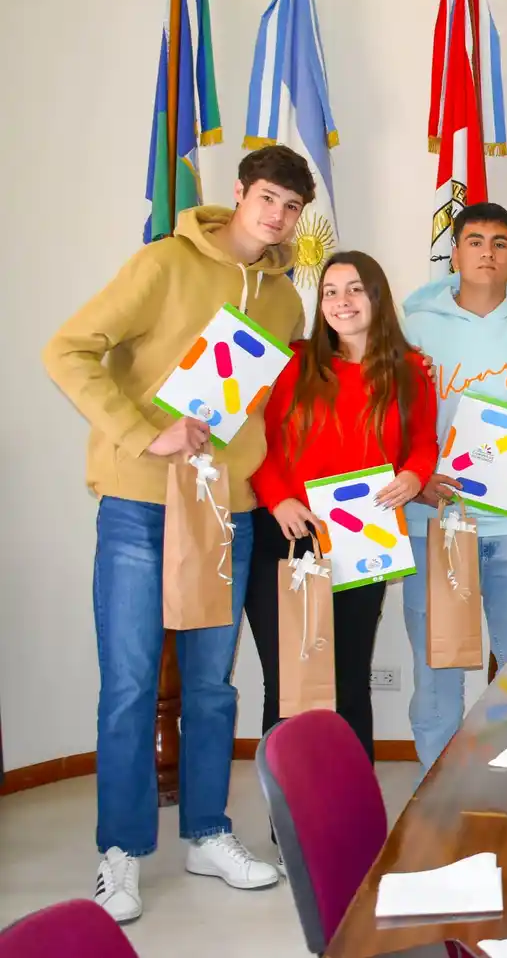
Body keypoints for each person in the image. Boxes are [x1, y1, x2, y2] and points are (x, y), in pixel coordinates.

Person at [42, 146, 313, 921]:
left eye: (292, 208)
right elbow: (66, 350)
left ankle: (207, 832)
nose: (277, 217)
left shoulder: (284, 302)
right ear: (238, 194)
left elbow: (270, 409)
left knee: (213, 686)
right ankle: (121, 852)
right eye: (267, 198)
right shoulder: (163, 264)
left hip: (227, 513)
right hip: (138, 504)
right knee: (129, 685)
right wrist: (141, 432)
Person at [247, 251, 438, 763]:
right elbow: (253, 442)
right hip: (288, 536)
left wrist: (413, 476)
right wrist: (277, 498)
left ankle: (352, 819)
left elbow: (423, 442)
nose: (341, 301)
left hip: (363, 541)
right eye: (330, 291)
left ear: (376, 296)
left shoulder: (411, 370)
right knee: (291, 681)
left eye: (354, 289)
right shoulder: (292, 363)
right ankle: (289, 821)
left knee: (349, 678)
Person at [398, 202, 507, 775]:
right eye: (474, 241)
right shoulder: (413, 329)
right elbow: (386, 420)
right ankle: (432, 806)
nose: (487, 252)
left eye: (499, 243)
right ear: (456, 253)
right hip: (437, 526)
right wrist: (412, 480)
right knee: (437, 677)